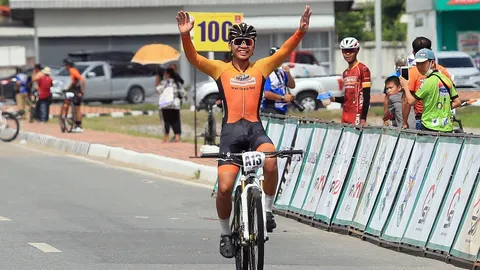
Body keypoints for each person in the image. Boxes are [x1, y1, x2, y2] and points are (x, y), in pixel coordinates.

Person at [176, 6, 312, 258]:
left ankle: (268, 211)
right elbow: (194, 58)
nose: (243, 45)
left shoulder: (261, 67)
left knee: (271, 160)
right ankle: (226, 234)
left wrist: (301, 31)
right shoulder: (220, 69)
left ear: (253, 45)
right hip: (231, 134)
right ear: (230, 45)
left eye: (247, 41)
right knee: (225, 188)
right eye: (237, 41)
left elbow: (284, 51)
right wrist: (186, 35)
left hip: (254, 130)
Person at [401, 48, 461, 133]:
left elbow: (411, 101)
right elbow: (457, 102)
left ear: (432, 63)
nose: (420, 67)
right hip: (446, 127)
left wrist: (405, 86)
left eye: (423, 63)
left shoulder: (428, 82)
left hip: (429, 127)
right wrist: (441, 108)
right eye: (417, 63)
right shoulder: (446, 79)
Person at [329, 37, 371, 126]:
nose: (347, 54)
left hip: (357, 114)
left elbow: (366, 96)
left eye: (351, 51)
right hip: (345, 113)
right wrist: (333, 99)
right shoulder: (345, 73)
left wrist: (363, 118)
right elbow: (347, 98)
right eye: (344, 51)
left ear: (357, 51)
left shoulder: (363, 69)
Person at [261, 46, 296, 115]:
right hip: (270, 108)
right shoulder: (266, 72)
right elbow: (267, 94)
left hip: (282, 108)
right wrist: (283, 97)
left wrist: (288, 73)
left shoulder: (281, 71)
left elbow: (292, 85)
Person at [383, 54, 415, 128]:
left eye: (402, 65)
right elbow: (386, 97)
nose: (400, 67)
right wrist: (385, 116)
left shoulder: (410, 75)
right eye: (398, 65)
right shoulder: (392, 77)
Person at [157, 67, 186, 142]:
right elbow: (183, 94)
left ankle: (166, 137)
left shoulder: (164, 82)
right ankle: (177, 136)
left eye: (165, 73)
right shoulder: (177, 83)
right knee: (176, 120)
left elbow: (158, 90)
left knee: (166, 120)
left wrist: (157, 80)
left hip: (165, 105)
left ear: (168, 74)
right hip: (175, 105)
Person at [62, 59, 86, 133]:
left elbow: (82, 80)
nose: (65, 67)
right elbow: (73, 82)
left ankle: (78, 125)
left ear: (68, 66)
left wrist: (82, 91)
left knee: (77, 108)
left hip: (76, 91)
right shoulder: (73, 71)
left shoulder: (72, 71)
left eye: (66, 65)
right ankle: (74, 122)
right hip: (74, 90)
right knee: (75, 108)